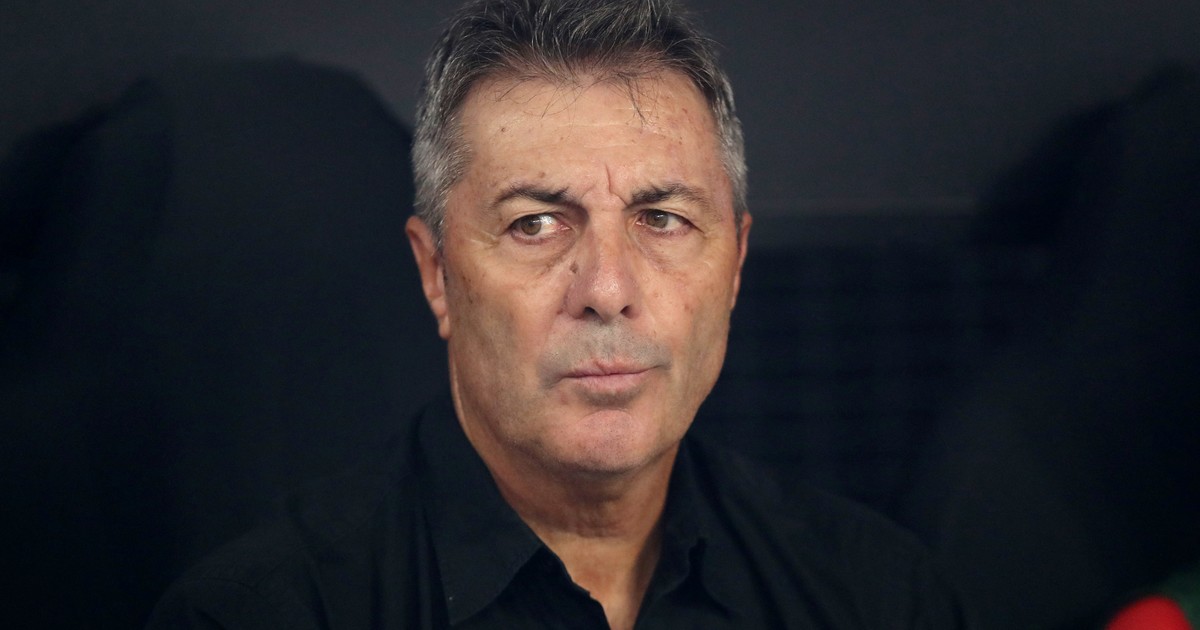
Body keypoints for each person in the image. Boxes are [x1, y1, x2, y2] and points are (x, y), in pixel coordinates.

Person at [148, 0, 968, 627]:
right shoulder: (260, 614)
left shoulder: (876, 595)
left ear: (735, 267)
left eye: (663, 219)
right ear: (437, 275)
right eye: (535, 224)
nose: (607, 288)